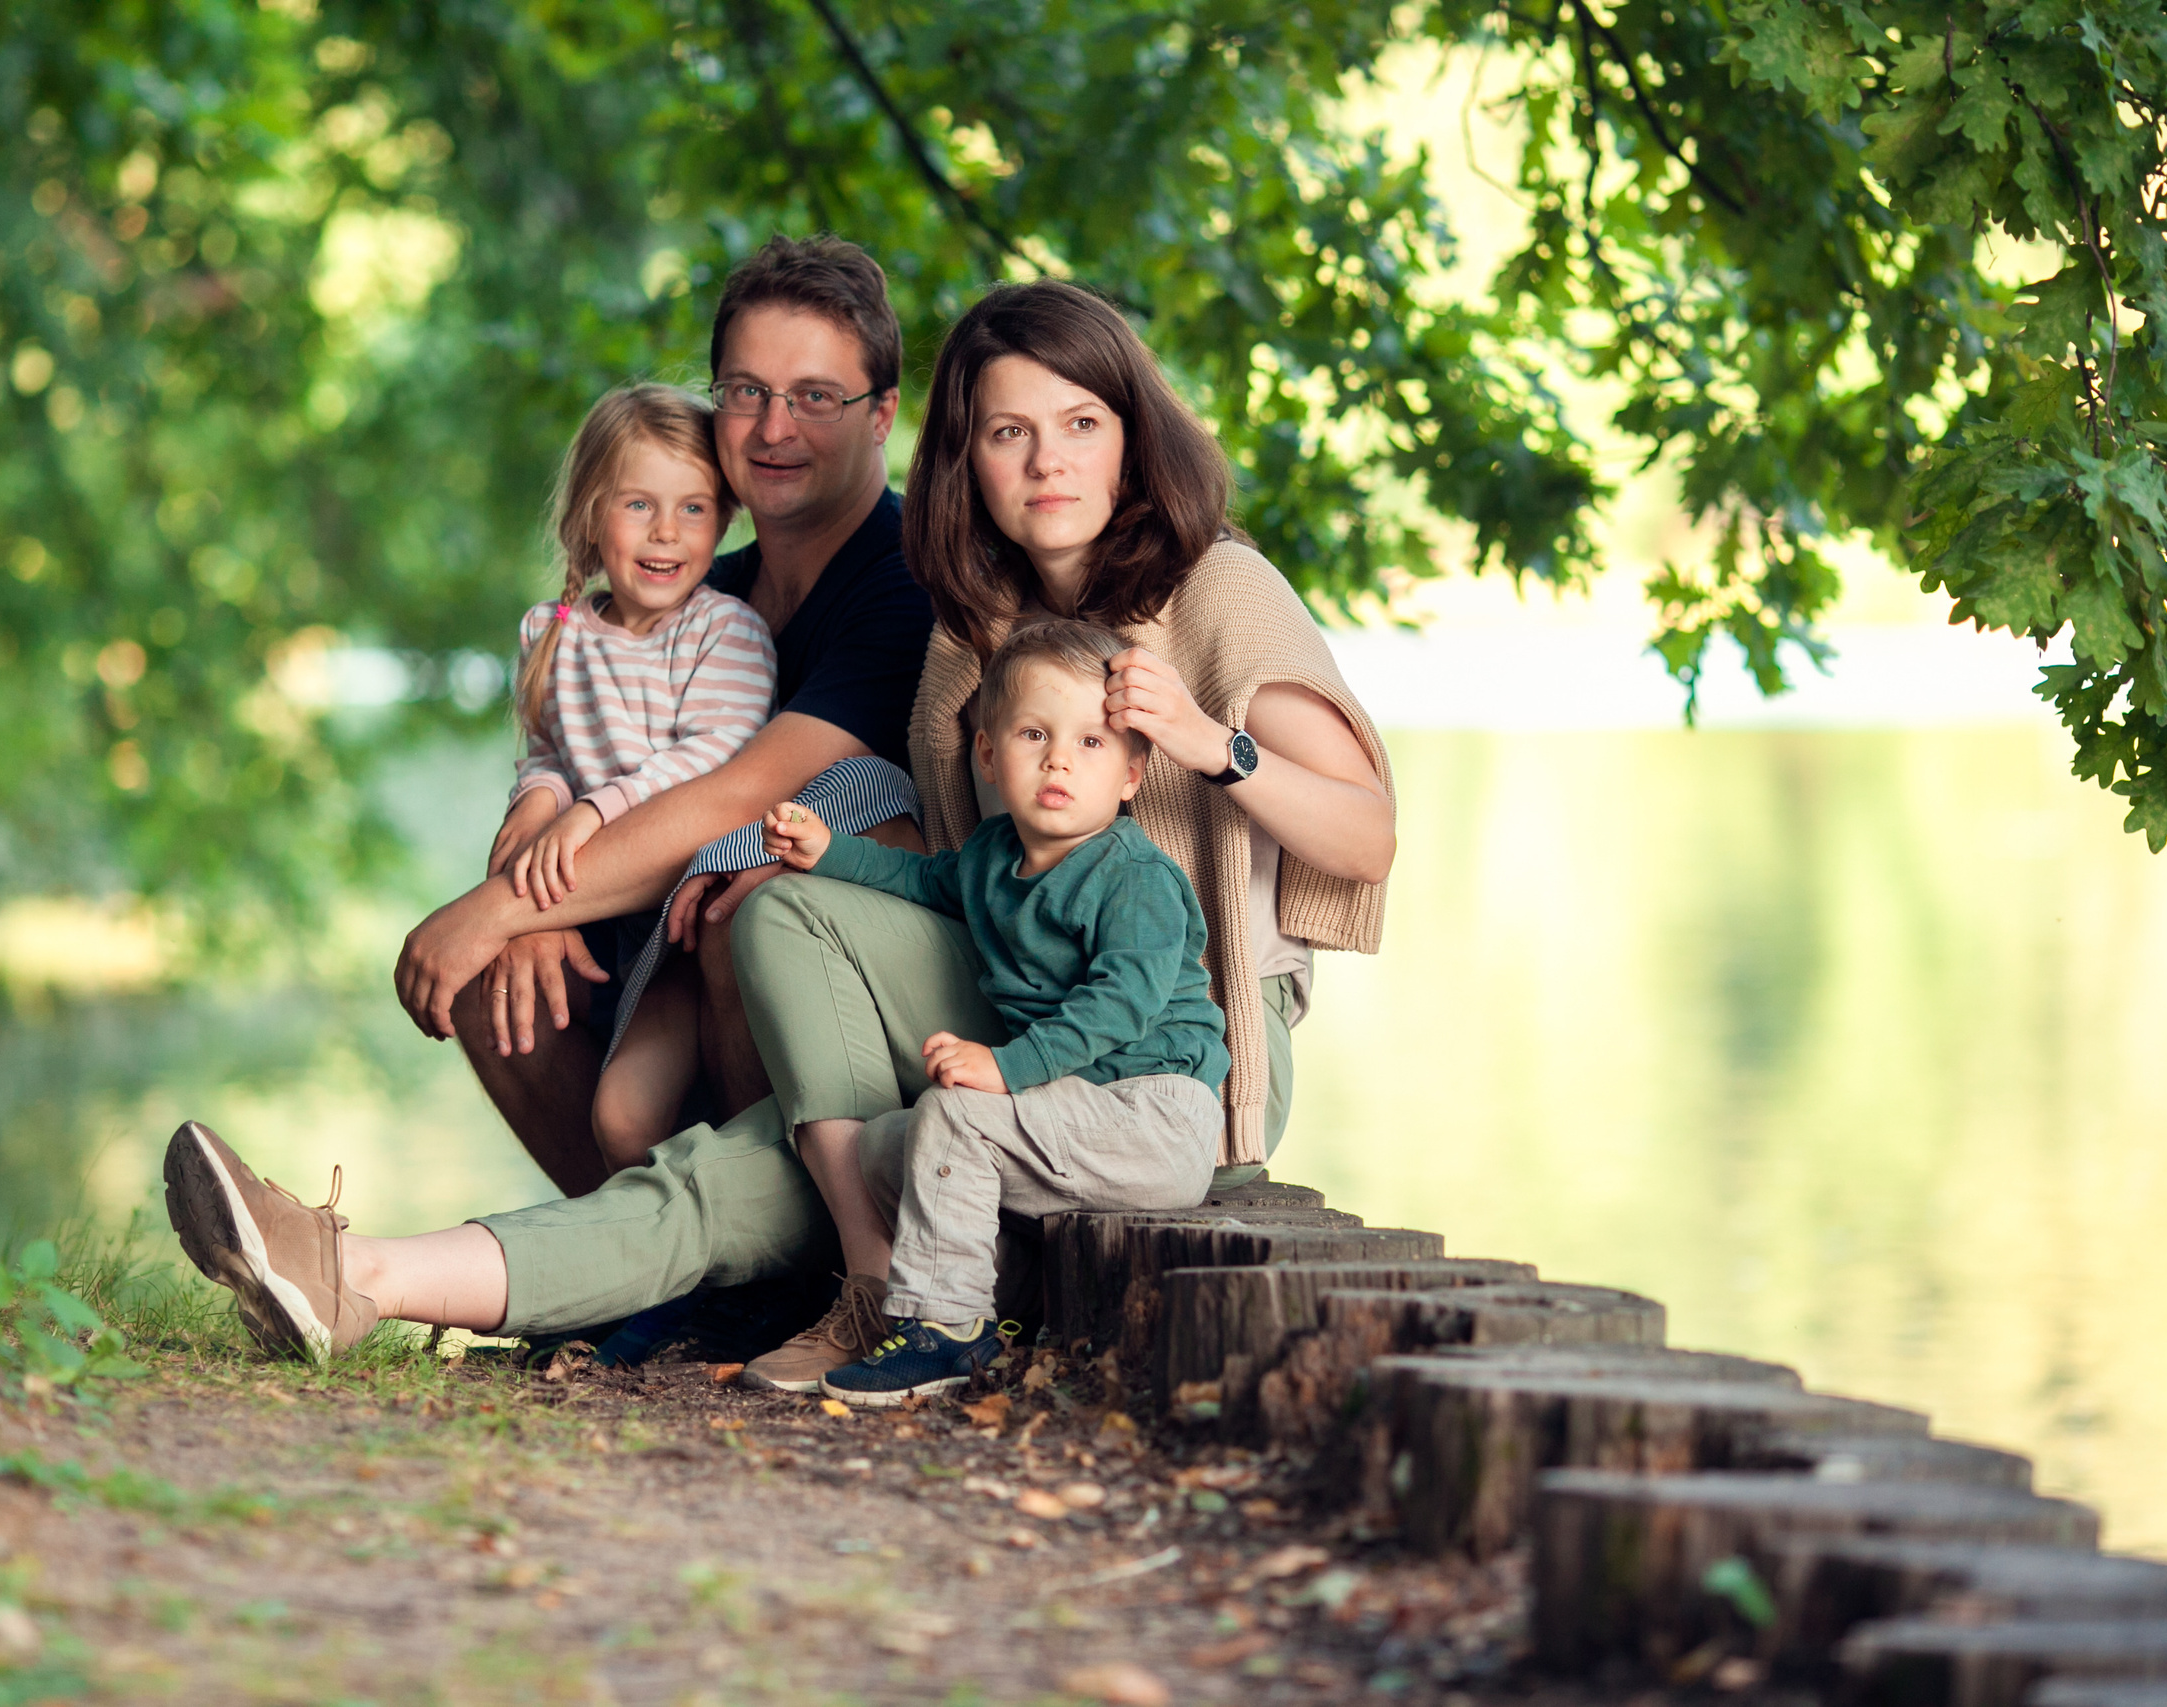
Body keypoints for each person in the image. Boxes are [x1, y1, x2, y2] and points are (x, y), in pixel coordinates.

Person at [159, 277, 1394, 1368]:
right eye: (1007, 432)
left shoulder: (1214, 590)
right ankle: (357, 1277)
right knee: (770, 1033)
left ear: (1131, 435)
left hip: (1171, 1059)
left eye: (1080, 425)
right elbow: (945, 867)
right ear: (962, 455)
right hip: (1005, 1029)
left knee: (760, 1098)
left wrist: (1214, 748)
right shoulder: (965, 637)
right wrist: (569, 881)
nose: (1046, 463)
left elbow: (1366, 839)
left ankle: (414, 1272)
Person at [394, 235, 934, 1201]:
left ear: (882, 413)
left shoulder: (903, 583)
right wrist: (533, 885)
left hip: (864, 974)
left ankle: (771, 1249)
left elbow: (739, 791)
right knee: (494, 972)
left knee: (744, 908)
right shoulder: (696, 589)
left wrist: (508, 902)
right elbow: (574, 745)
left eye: (815, 395)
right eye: (747, 391)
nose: (774, 427)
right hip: (662, 935)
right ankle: (643, 1258)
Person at [744, 619, 1228, 1401]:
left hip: (1154, 1115)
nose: (1060, 759)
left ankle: (944, 1332)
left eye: (1091, 743)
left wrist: (1005, 1068)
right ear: (988, 755)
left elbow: (1121, 1005)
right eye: (1035, 734)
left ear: (1132, 774)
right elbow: (919, 879)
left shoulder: (1134, 877)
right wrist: (830, 852)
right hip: (1070, 1110)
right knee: (883, 1148)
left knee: (954, 1114)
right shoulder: (992, 857)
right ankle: (1006, 1294)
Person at [488, 384, 775, 1173]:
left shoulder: (725, 631)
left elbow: (713, 758)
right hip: (602, 916)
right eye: (639, 504)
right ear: (590, 514)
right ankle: (651, 1242)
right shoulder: (553, 632)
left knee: (624, 1118)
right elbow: (548, 751)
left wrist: (589, 812)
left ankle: (723, 1225)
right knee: (604, 1115)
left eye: (693, 508)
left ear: (725, 520)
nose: (665, 531)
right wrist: (537, 802)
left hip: (686, 925)